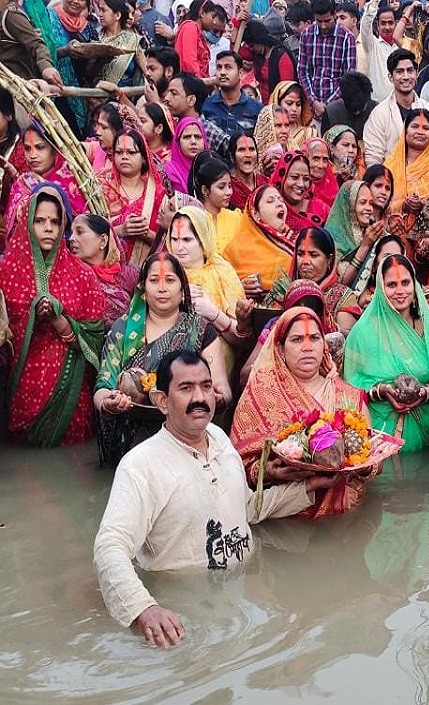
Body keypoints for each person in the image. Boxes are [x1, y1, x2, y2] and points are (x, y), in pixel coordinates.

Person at [93, 350, 335, 645]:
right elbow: (110, 546)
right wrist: (144, 608)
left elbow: (245, 508)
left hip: (242, 595)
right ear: (162, 402)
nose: (200, 397)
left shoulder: (220, 439)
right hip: (184, 613)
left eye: (206, 386)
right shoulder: (141, 465)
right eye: (186, 388)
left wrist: (309, 489)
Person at [231, 306, 381, 520]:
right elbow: (236, 467)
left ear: (324, 346)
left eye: (314, 338)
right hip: (287, 520)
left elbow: (374, 458)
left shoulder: (347, 395)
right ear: (280, 349)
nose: (308, 347)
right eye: (297, 339)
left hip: (346, 519)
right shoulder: (260, 393)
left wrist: (363, 467)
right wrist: (269, 472)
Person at [93, 252, 230, 466]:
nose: (162, 288)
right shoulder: (122, 328)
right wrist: (109, 403)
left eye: (170, 280)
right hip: (130, 441)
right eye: (154, 280)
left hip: (185, 437)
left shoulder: (201, 330)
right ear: (143, 289)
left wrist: (218, 397)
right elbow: (103, 386)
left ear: (183, 289)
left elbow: (222, 387)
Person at [0, 184, 105, 446]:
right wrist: (33, 315)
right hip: (19, 388)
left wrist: (59, 321)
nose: (48, 228)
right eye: (40, 221)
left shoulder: (82, 274)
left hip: (68, 389)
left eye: (55, 222)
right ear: (26, 223)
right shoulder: (6, 271)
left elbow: (95, 333)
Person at [344, 254, 429, 451]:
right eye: (392, 285)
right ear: (381, 289)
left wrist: (424, 393)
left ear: (415, 285)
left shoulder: (428, 328)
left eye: (406, 283)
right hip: (377, 438)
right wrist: (382, 391)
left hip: (426, 438)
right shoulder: (363, 332)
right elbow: (349, 389)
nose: (400, 291)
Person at [363, 48, 429, 166]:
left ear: (416, 74)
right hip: (390, 180)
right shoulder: (379, 114)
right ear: (391, 77)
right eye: (400, 72)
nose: (406, 77)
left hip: (425, 179)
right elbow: (373, 158)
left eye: (410, 71)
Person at [298, 0, 356, 121]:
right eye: (319, 21)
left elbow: (349, 77)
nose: (323, 25)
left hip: (338, 106)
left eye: (327, 21)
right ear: (314, 17)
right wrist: (313, 101)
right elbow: (303, 72)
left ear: (334, 15)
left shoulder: (347, 37)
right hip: (311, 106)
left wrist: (328, 104)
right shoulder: (306, 35)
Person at [202, 50, 263, 137]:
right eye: (219, 67)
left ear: (240, 73)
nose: (222, 72)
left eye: (228, 67)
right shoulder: (205, 106)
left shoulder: (257, 109)